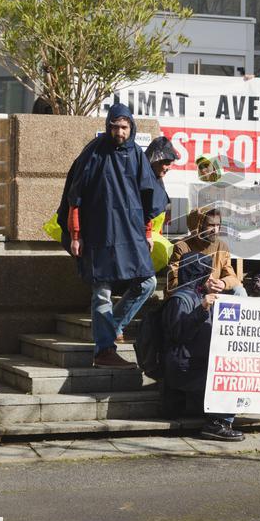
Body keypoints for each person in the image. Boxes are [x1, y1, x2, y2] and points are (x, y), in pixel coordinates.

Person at [56, 102, 164, 369]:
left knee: (147, 282)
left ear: (131, 127)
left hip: (131, 232)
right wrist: (76, 234)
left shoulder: (136, 155)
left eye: (124, 127)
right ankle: (104, 351)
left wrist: (148, 233)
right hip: (98, 233)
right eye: (115, 127)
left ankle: (112, 327)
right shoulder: (94, 152)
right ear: (108, 126)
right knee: (102, 291)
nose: (119, 132)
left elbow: (148, 195)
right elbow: (75, 197)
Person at [162, 251, 244, 442]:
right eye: (208, 274)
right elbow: (179, 334)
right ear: (198, 275)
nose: (212, 279)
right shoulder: (180, 299)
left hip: (198, 360)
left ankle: (221, 419)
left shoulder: (201, 295)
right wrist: (202, 309)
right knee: (228, 378)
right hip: (185, 365)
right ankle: (216, 423)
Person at [166, 208, 246, 299]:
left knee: (239, 291)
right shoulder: (182, 247)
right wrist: (202, 285)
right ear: (199, 226)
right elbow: (172, 283)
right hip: (192, 296)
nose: (215, 230)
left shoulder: (222, 247)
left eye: (218, 225)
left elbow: (232, 277)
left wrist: (223, 283)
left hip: (215, 293)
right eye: (210, 225)